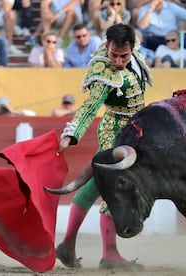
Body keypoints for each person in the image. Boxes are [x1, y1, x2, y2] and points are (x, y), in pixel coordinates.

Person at [56, 23, 152, 269]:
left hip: (135, 128)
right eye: (113, 55)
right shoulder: (103, 71)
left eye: (124, 56)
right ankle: (109, 254)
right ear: (106, 47)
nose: (118, 62)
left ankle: (67, 244)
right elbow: (89, 106)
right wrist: (72, 133)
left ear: (133, 47)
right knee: (113, 187)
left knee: (92, 186)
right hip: (115, 131)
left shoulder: (134, 52)